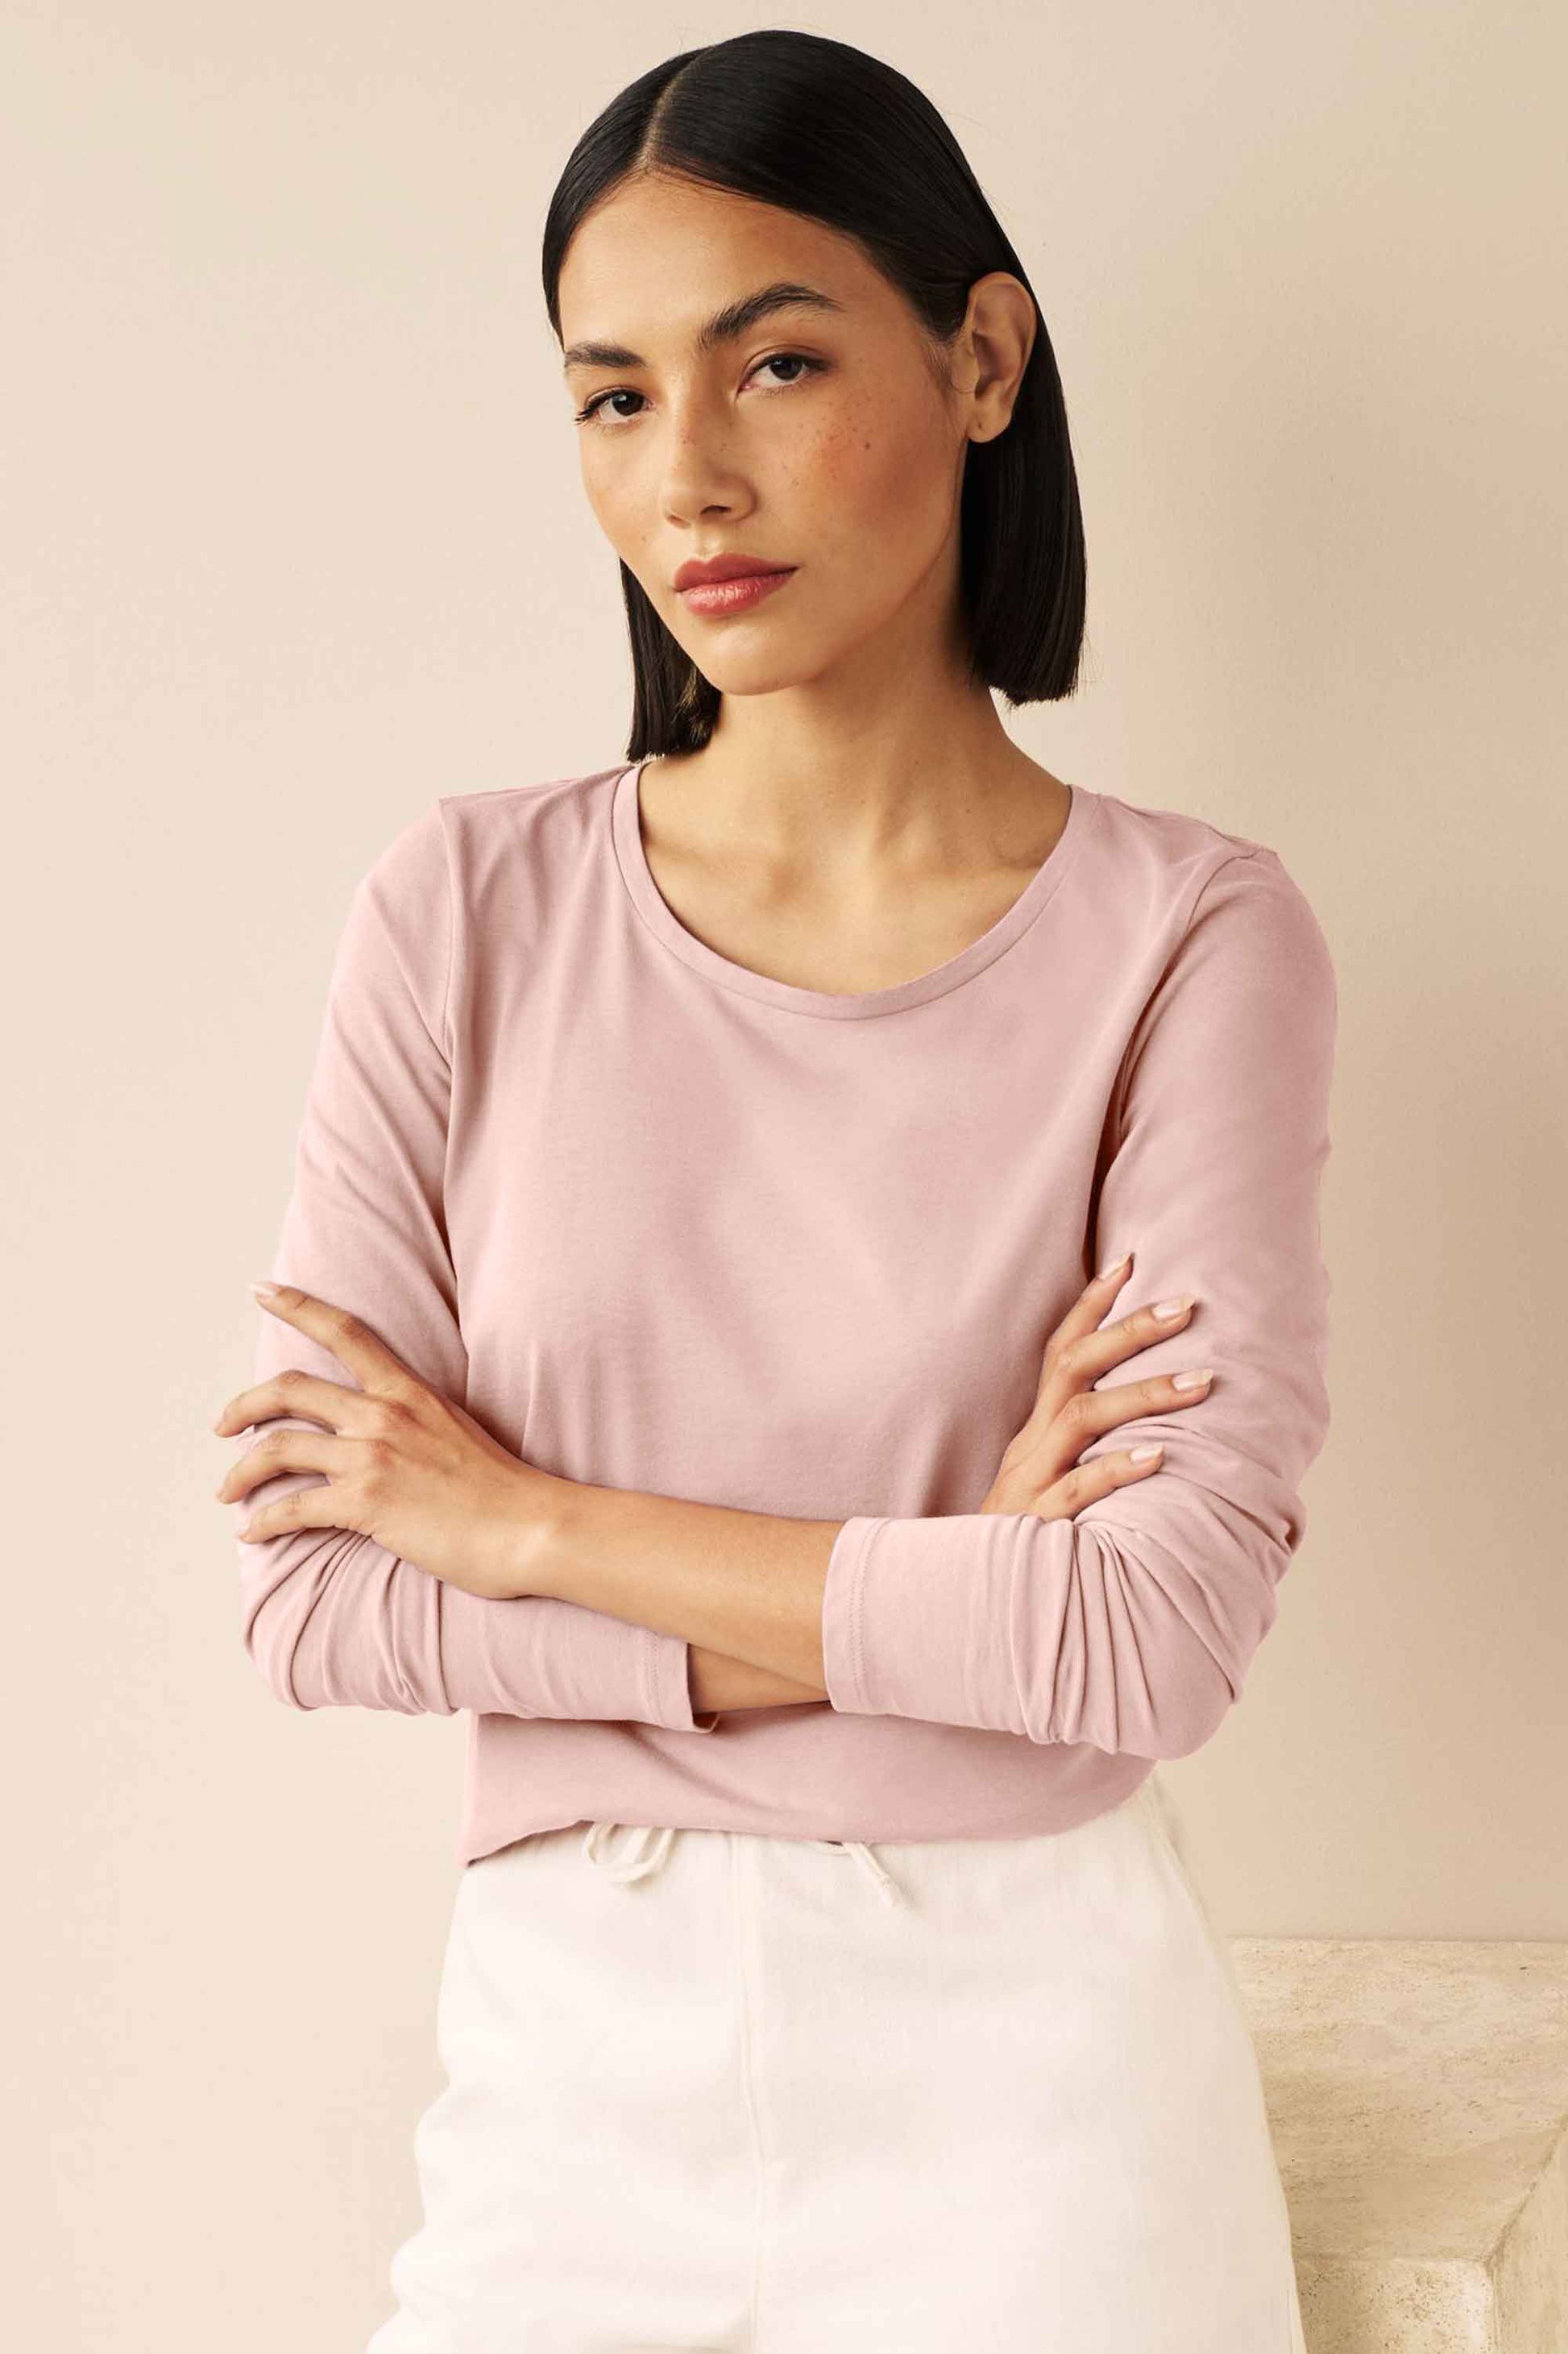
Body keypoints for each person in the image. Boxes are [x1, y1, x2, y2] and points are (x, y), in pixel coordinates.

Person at [214, 28, 1334, 2352]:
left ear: (984, 358)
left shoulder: (1189, 940)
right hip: (565, 2086)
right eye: (613, 397)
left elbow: (1147, 1637)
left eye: (778, 363)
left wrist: (522, 1521)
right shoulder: (466, 909)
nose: (688, 476)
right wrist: (948, 1591)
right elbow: (318, 1591)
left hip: (1034, 2085)